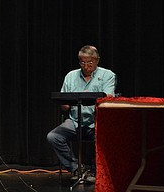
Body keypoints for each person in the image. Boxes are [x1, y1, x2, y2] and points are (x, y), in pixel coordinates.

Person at [46, 45, 116, 180]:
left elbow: (108, 98)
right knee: (53, 137)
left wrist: (90, 96)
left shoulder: (107, 75)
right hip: (75, 121)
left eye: (90, 62)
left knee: (103, 137)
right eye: (82, 62)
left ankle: (95, 171)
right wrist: (63, 103)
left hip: (96, 122)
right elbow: (64, 104)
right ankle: (76, 168)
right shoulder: (71, 76)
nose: (86, 66)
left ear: (97, 60)